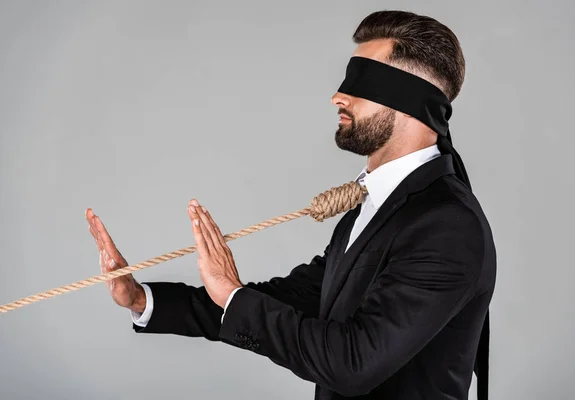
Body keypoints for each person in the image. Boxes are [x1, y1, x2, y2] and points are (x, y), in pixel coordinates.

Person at [85, 10, 496, 400]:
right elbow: (293, 299)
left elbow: (353, 363)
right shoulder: (378, 207)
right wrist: (142, 300)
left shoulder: (447, 226)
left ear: (411, 102)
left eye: (362, 82)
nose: (338, 96)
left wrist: (232, 293)